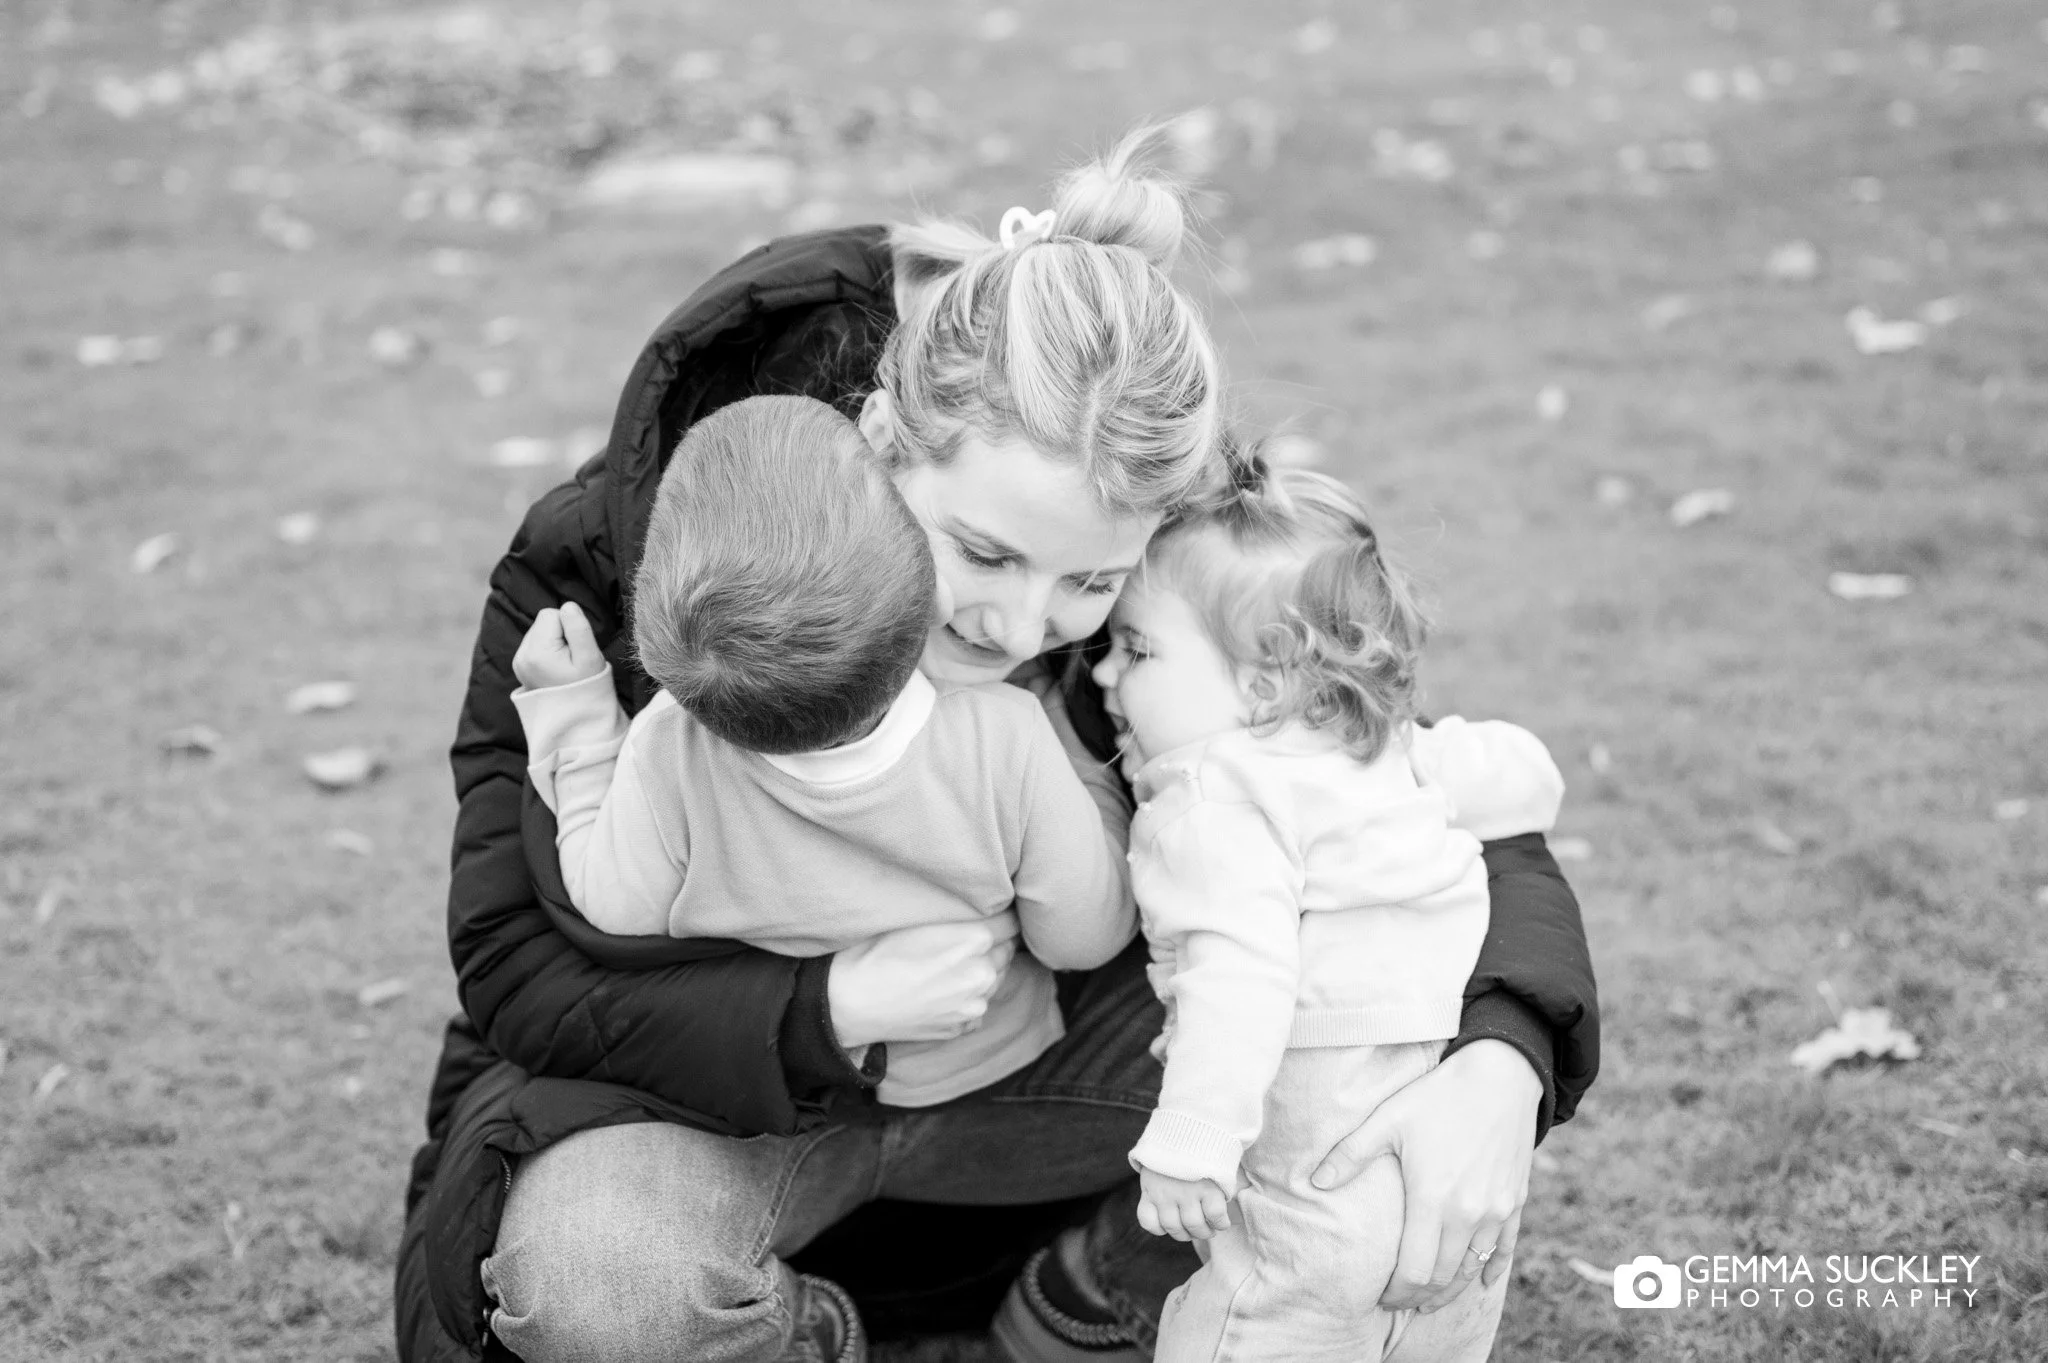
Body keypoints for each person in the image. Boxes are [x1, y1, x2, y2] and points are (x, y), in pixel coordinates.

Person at [393, 127, 1600, 1363]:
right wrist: (816, 1010)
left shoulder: (1187, 577)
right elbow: (513, 962)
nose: (1017, 624)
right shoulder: (639, 553)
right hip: (711, 1111)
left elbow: (1383, 794)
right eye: (981, 553)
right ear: (880, 431)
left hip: (1051, 1078)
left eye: (1092, 583)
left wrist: (1502, 1052)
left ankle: (1088, 1302)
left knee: (1361, 1054)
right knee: (594, 1283)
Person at [507, 394, 1131, 1120]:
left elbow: (610, 907)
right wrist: (1094, 781)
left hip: (781, 1102)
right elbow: (1084, 938)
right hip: (992, 1090)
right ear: (931, 601)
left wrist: (578, 722)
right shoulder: (1010, 737)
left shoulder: (666, 749)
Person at [1094, 461, 1564, 1361]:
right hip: (1445, 1168)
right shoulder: (1392, 757)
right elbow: (1529, 778)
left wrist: (1190, 1139)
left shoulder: (1209, 801)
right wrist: (1427, 749)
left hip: (1316, 1166)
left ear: (1264, 685)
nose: (1107, 672)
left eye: (1138, 648)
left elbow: (1239, 970)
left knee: (1251, 1327)